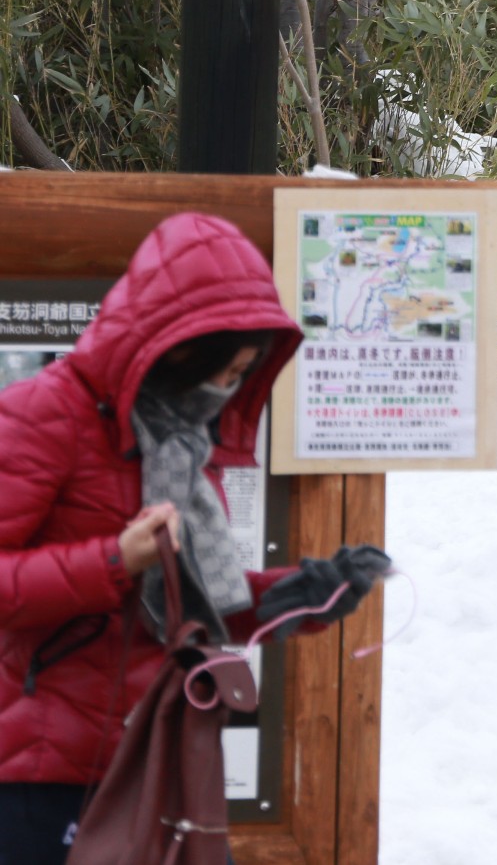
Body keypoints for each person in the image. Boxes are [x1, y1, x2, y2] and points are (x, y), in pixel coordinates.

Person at [0, 213, 389, 865]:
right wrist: (111, 560)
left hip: (157, 756)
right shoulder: (44, 413)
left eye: (242, 375)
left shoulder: (177, 439)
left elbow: (192, 606)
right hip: (43, 774)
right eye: (224, 370)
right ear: (178, 348)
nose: (227, 390)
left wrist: (307, 594)